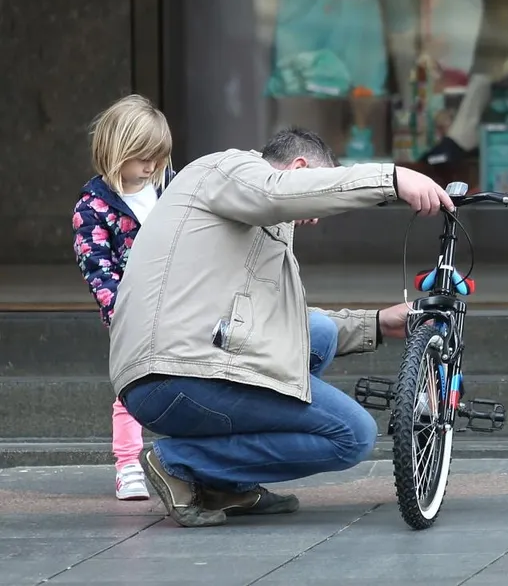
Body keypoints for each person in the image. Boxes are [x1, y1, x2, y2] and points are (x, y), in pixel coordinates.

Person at [109, 126, 455, 527]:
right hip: (175, 374)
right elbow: (277, 191)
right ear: (301, 168)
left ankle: (223, 485)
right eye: (317, 186)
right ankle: (182, 464)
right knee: (353, 434)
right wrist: (393, 178)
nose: (314, 217)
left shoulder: (253, 219)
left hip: (181, 371)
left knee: (320, 334)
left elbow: (283, 327)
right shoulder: (226, 168)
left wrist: (375, 324)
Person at [72, 94, 176, 501]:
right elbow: (98, 267)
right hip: (130, 312)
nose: (151, 166)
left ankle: (181, 461)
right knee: (130, 387)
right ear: (115, 152)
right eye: (141, 158)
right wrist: (120, 313)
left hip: (182, 301)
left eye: (157, 157)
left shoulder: (170, 186)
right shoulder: (94, 207)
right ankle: (128, 464)